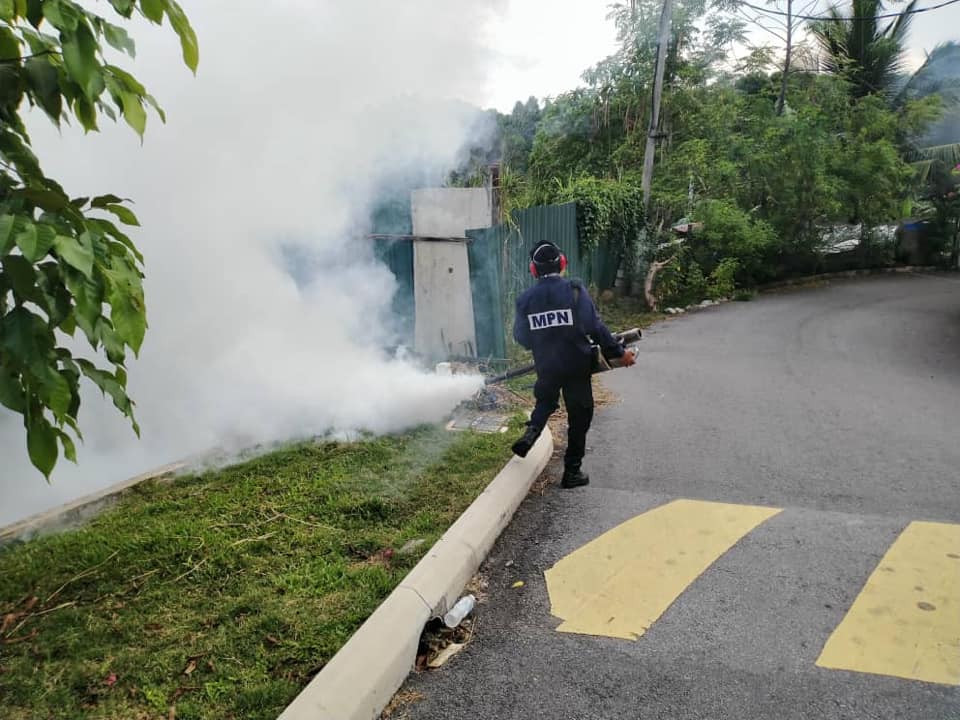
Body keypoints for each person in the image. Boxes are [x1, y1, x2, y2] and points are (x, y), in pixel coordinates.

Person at [511, 241, 635, 488]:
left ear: (533, 270)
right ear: (562, 263)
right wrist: (620, 353)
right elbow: (595, 327)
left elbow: (521, 337)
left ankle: (531, 433)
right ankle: (572, 472)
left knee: (545, 402)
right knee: (580, 416)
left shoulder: (525, 300)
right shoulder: (575, 291)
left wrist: (542, 343)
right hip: (576, 366)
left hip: (547, 365)